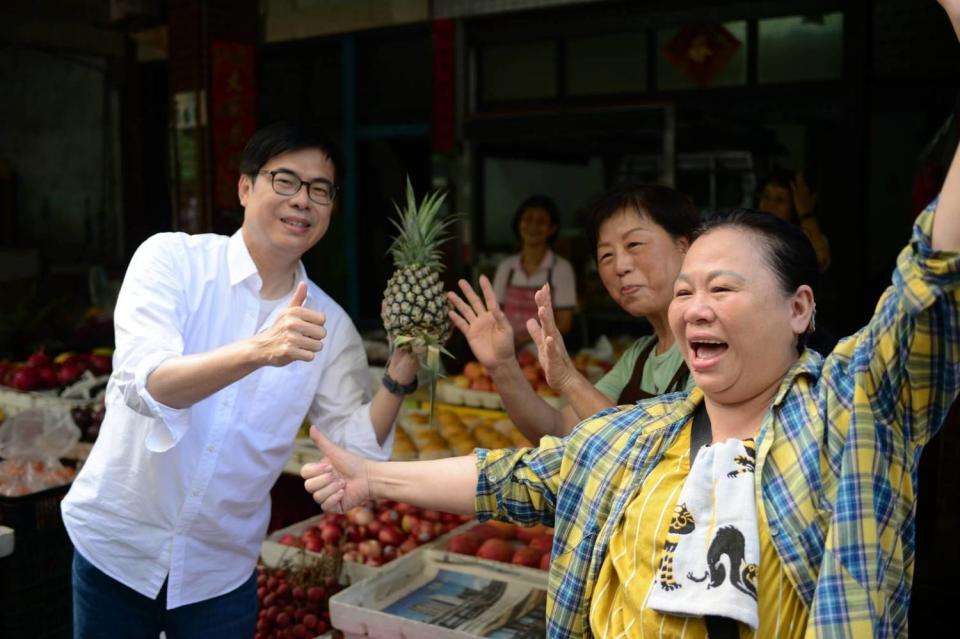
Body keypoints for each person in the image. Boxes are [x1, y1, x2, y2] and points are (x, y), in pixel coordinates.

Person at [302, 3, 960, 626]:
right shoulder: (645, 430)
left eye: (722, 289)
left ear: (799, 307)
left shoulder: (850, 411)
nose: (694, 307)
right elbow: (519, 474)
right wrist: (370, 476)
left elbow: (931, 275)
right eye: (686, 292)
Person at [62, 122, 420, 638]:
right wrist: (258, 350)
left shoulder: (332, 325)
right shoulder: (172, 260)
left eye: (320, 190)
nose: (303, 200)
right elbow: (146, 384)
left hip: (219, 573)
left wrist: (400, 372)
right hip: (119, 550)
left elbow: (352, 447)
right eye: (285, 181)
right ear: (245, 187)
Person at [449, 183, 699, 441]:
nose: (621, 266)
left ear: (684, 246)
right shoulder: (639, 357)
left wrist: (569, 379)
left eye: (634, 244)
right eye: (606, 256)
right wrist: (502, 366)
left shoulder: (712, 346)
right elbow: (558, 429)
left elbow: (653, 451)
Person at [490, 195, 577, 346]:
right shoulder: (506, 268)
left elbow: (564, 324)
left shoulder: (561, 269)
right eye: (528, 219)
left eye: (541, 221)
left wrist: (524, 341)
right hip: (506, 349)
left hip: (545, 353)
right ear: (518, 224)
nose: (533, 226)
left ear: (552, 228)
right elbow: (494, 315)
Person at [757, 167, 831, 272]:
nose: (769, 206)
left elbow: (820, 259)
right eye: (766, 197)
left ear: (795, 207)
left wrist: (805, 214)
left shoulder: (801, 237)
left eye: (780, 200)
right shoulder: (750, 232)